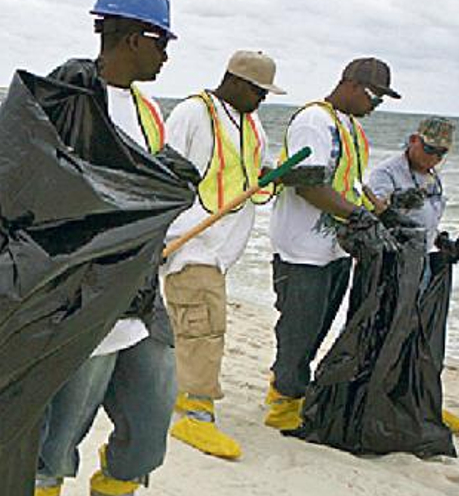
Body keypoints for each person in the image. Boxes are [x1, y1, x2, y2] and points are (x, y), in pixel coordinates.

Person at [19, 0, 186, 496]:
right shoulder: (71, 90)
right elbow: (39, 180)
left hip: (140, 287)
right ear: (132, 36)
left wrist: (169, 174)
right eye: (161, 40)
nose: (167, 54)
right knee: (70, 410)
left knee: (153, 402)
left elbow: (137, 182)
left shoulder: (146, 107)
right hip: (85, 289)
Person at [161, 51, 284, 460]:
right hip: (189, 241)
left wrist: (280, 176)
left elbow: (254, 171)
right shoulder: (193, 113)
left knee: (195, 324)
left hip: (221, 246)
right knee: (204, 326)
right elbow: (165, 173)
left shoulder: (251, 123)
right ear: (235, 81)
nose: (262, 100)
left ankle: (182, 395)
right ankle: (196, 415)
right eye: (258, 91)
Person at [265, 58, 400, 431]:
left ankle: (291, 387)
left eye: (382, 100)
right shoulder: (314, 122)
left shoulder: (351, 128)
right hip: (301, 248)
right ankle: (283, 402)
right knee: (299, 328)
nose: (376, 105)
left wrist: (374, 206)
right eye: (374, 95)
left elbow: (350, 181)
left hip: (334, 248)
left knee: (320, 327)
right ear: (352, 84)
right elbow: (308, 185)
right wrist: (357, 217)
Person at [366, 115, 458, 431]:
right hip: (393, 270)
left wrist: (440, 242)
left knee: (416, 335)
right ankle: (375, 400)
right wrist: (391, 212)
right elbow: (370, 215)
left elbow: (428, 219)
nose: (434, 158)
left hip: (422, 265)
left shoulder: (432, 178)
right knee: (387, 331)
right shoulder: (387, 174)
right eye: (430, 149)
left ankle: (413, 400)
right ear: (414, 141)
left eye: (441, 154)